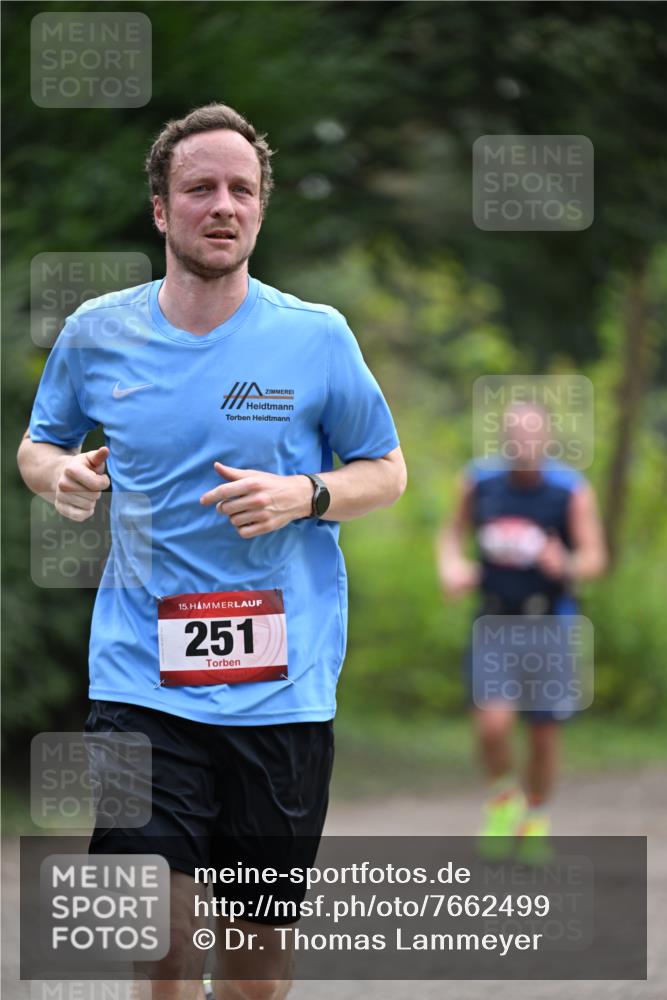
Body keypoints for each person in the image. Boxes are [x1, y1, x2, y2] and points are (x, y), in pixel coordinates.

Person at [18, 103, 407, 1000]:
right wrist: (57, 476)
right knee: (156, 937)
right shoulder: (97, 332)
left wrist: (305, 494)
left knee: (255, 972)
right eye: (200, 189)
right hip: (139, 681)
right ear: (161, 209)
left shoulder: (315, 337)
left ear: (261, 209)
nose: (222, 205)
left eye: (242, 189)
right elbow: (38, 443)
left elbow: (385, 471)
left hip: (282, 693)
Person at [436, 402, 606, 860]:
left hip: (550, 625)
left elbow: (594, 559)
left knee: (543, 735)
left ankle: (535, 818)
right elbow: (451, 535)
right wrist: (452, 567)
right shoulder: (480, 483)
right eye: (514, 432)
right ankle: (503, 800)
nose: (522, 441)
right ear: (504, 437)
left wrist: (564, 563)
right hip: (493, 622)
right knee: (492, 725)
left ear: (547, 439)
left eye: (531, 433)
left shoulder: (569, 490)